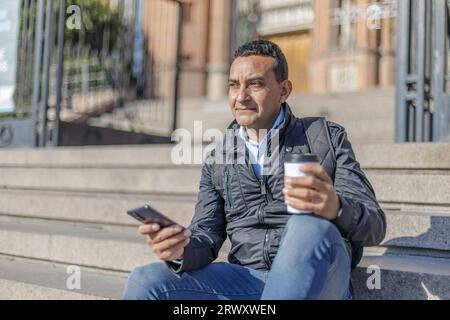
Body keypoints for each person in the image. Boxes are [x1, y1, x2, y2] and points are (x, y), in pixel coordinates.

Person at [122, 40, 386, 300]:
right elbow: (206, 235)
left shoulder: (327, 137)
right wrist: (181, 249)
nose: (241, 96)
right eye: (234, 85)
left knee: (309, 227)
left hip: (319, 279)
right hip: (247, 281)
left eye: (255, 84)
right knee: (146, 281)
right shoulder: (219, 159)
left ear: (284, 91)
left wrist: (336, 207)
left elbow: (375, 226)